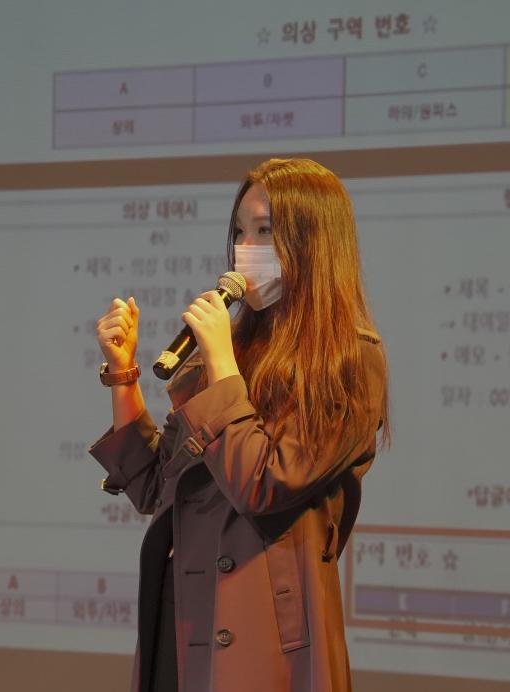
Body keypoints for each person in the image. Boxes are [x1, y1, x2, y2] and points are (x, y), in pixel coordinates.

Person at [90, 158, 389, 692]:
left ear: (314, 242)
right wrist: (123, 376)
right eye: (239, 232)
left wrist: (223, 365)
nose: (245, 249)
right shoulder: (228, 353)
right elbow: (156, 487)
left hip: (267, 634)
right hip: (185, 614)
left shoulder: (349, 359)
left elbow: (263, 483)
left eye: (265, 231)